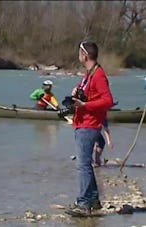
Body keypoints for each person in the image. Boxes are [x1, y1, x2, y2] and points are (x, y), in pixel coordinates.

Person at [65, 41, 114, 217]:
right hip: (83, 122)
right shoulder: (89, 74)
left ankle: (84, 203)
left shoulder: (98, 75)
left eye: (80, 52)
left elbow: (108, 101)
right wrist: (76, 93)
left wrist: (85, 104)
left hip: (89, 123)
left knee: (83, 164)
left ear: (84, 55)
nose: (79, 55)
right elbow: (89, 93)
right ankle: (93, 200)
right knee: (85, 163)